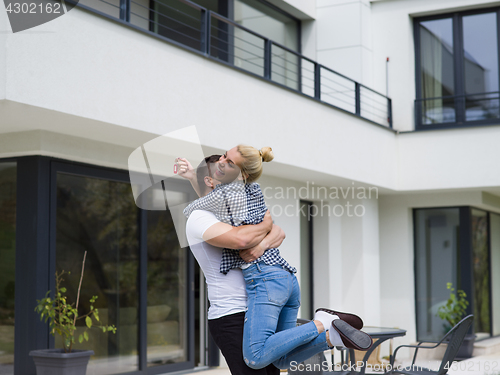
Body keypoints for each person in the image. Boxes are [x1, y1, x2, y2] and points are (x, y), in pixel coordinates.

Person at [180, 148, 372, 371]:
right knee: (280, 361)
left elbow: (272, 233)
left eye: (228, 163)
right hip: (236, 311)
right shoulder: (205, 215)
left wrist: (262, 238)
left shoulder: (232, 204)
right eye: (221, 163)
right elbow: (256, 233)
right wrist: (265, 228)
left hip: (261, 295)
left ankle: (323, 323)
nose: (223, 164)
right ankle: (331, 337)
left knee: (260, 359)